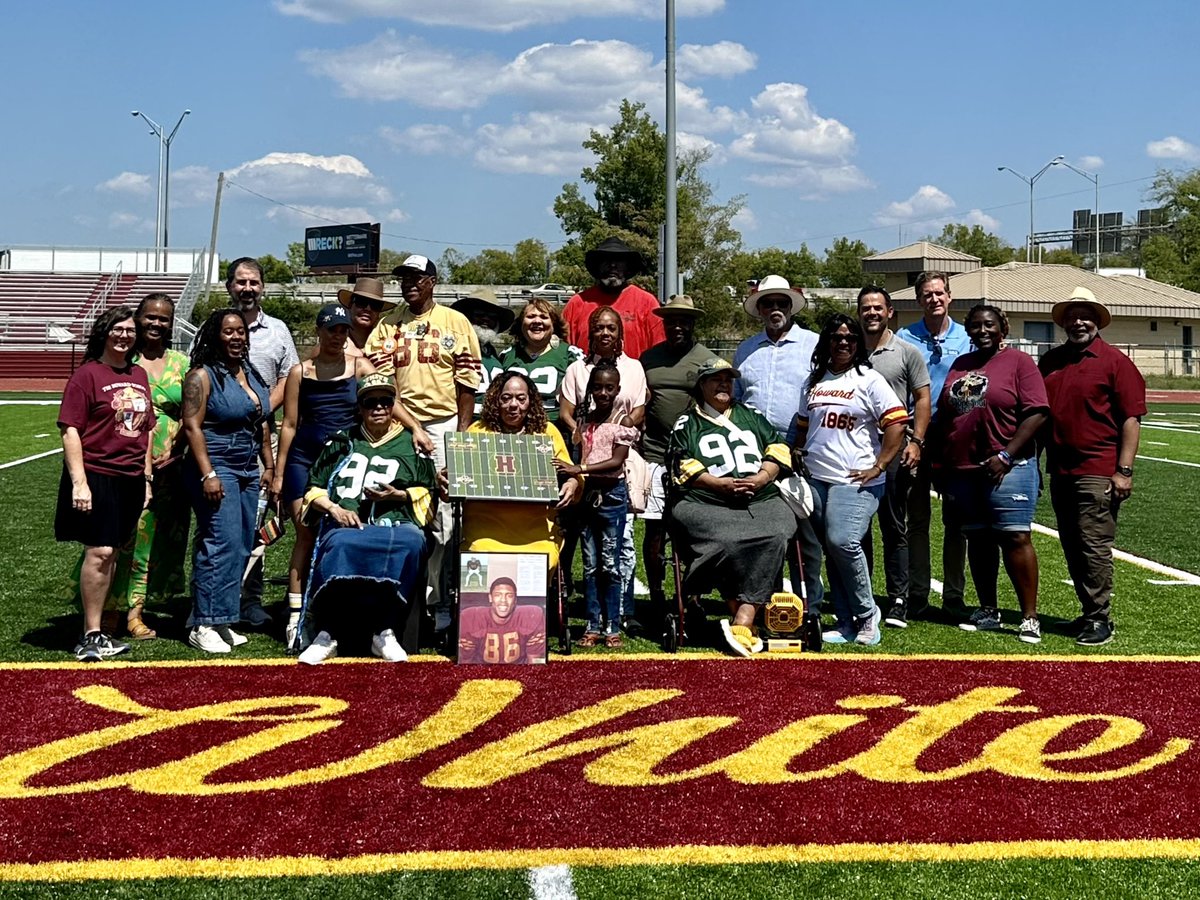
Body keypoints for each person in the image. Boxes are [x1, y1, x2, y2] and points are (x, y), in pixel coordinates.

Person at [364, 254, 480, 638]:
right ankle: (401, 599)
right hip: (398, 425)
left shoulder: (454, 322)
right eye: (404, 278)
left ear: (432, 280)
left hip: (444, 424)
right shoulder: (387, 324)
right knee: (398, 508)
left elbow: (467, 382)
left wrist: (461, 434)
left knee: (444, 518)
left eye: (416, 277)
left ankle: (441, 603)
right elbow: (376, 379)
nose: (409, 283)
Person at [68, 293, 191, 640]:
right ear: (136, 320)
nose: (156, 323)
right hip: (125, 464)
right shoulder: (122, 357)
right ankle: (107, 610)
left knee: (159, 541)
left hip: (172, 467)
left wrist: (176, 449)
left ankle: (137, 611)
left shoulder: (182, 364)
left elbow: (193, 413)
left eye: (164, 318)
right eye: (149, 317)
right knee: (121, 539)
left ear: (171, 324)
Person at [296, 373, 437, 664]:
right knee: (339, 544)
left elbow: (429, 489)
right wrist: (334, 509)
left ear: (393, 405)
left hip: (395, 522)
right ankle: (328, 633)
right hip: (348, 523)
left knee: (412, 542)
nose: (379, 408)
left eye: (386, 401)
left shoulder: (411, 446)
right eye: (370, 402)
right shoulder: (341, 442)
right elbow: (313, 487)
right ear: (359, 407)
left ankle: (383, 631)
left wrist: (398, 496)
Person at [666, 358, 795, 658]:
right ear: (701, 385)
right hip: (705, 501)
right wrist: (717, 484)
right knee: (728, 540)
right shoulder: (688, 422)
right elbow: (680, 462)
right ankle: (745, 616)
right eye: (716, 379)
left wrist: (762, 478)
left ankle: (744, 618)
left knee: (778, 532)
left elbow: (778, 448)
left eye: (728, 379)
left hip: (760, 498)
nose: (723, 384)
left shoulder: (751, 415)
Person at [1039, 287, 1146, 646]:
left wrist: (1124, 470)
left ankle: (1100, 617)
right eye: (1072, 316)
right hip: (1062, 468)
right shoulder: (1051, 361)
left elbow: (1131, 419)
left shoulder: (1115, 362)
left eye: (1084, 315)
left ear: (1097, 320)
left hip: (1098, 468)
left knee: (1093, 544)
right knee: (1072, 543)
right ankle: (1088, 611)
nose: (1078, 321)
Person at [936, 304, 1049, 644]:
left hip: (1008, 467)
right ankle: (988, 608)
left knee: (1015, 537)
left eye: (988, 325)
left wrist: (1006, 454)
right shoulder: (961, 364)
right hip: (965, 468)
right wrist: (942, 465)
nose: (981, 331)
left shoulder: (1019, 362)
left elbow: (1037, 412)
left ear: (1003, 328)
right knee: (979, 539)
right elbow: (948, 415)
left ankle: (1029, 616)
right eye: (974, 326)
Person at [797, 315, 909, 647]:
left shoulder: (869, 378)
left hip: (856, 477)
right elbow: (804, 424)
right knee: (831, 548)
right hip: (818, 477)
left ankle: (866, 613)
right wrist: (798, 450)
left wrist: (881, 464)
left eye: (850, 338)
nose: (843, 342)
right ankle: (845, 620)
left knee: (843, 540)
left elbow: (896, 422)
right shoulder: (814, 380)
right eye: (836, 337)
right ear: (826, 342)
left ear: (858, 344)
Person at [274, 304, 380, 647]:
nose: (337, 336)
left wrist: (415, 431)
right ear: (319, 331)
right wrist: (278, 473)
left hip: (342, 461)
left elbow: (387, 401)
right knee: (305, 535)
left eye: (343, 330)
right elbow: (289, 425)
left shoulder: (359, 366)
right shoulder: (299, 372)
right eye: (331, 329)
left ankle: (329, 610)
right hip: (303, 459)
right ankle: (294, 617)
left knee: (340, 532)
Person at [55, 307, 155, 662]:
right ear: (104, 333)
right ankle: (91, 634)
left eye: (130, 330)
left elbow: (146, 430)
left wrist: (146, 478)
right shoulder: (86, 375)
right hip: (97, 474)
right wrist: (79, 483)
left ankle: (97, 630)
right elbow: (70, 430)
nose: (124, 336)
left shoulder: (139, 374)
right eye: (117, 329)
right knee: (99, 552)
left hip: (130, 477)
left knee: (112, 552)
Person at [181, 308, 274, 654]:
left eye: (241, 332)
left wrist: (268, 465)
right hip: (217, 465)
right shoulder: (201, 376)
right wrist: (208, 473)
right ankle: (203, 621)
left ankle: (222, 619)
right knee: (219, 541)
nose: (236, 337)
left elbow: (261, 420)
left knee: (240, 544)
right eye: (228, 332)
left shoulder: (248, 372)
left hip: (248, 467)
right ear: (214, 336)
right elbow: (192, 426)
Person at [732, 274, 824, 609]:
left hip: (800, 452)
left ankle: (808, 604)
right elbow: (736, 402)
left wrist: (800, 444)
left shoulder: (814, 345)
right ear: (759, 309)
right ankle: (763, 600)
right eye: (768, 303)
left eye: (781, 303)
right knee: (761, 531)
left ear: (791, 307)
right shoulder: (746, 350)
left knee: (806, 533)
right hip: (754, 455)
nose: (775, 309)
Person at [559, 306, 648, 632]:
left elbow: (637, 409)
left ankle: (623, 609)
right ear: (590, 332)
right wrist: (577, 430)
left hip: (618, 461)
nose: (605, 333)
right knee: (586, 542)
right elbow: (567, 410)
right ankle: (589, 612)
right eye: (598, 328)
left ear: (620, 333)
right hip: (584, 458)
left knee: (621, 541)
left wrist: (620, 427)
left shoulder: (634, 368)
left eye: (611, 328)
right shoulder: (576, 370)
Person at [225, 256, 299, 627]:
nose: (247, 289)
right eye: (241, 282)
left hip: (261, 438)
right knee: (221, 524)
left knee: (256, 524)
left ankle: (249, 600)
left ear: (263, 287)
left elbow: (290, 378)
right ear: (229, 287)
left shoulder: (279, 330)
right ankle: (218, 597)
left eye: (254, 282)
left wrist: (259, 407)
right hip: (222, 439)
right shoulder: (218, 327)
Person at [855, 286, 932, 629]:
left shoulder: (905, 351)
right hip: (855, 452)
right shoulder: (848, 348)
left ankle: (898, 598)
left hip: (894, 451)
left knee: (893, 525)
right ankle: (863, 595)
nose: (871, 313)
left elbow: (922, 399)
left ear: (889, 312)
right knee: (857, 528)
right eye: (865, 308)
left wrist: (916, 441)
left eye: (877, 308)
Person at [897, 271, 973, 616]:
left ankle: (954, 595)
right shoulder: (904, 336)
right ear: (918, 300)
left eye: (940, 293)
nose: (934, 299)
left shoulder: (967, 336)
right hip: (915, 436)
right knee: (917, 519)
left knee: (956, 521)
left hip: (953, 437)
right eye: (927, 294)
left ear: (950, 297)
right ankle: (917, 593)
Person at [459, 371, 581, 569]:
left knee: (543, 558)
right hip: (485, 527)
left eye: (520, 398)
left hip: (536, 528)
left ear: (530, 402)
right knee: (478, 553)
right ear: (495, 401)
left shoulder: (546, 432)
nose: (513, 405)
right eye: (506, 398)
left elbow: (570, 472)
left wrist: (573, 482)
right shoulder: (478, 431)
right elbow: (457, 477)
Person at [554, 360, 637, 648]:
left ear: (618, 390)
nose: (603, 393)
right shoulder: (583, 419)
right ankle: (592, 623)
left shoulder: (623, 421)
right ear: (590, 389)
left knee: (610, 565)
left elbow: (617, 460)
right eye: (597, 387)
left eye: (608, 388)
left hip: (612, 495)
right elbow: (579, 448)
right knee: (589, 565)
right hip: (587, 497)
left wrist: (580, 469)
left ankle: (612, 624)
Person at [639, 295, 712, 612]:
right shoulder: (648, 358)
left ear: (694, 323)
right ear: (664, 323)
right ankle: (656, 594)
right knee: (655, 525)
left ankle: (693, 593)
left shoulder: (706, 359)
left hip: (694, 455)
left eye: (684, 320)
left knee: (693, 525)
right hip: (654, 452)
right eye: (672, 320)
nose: (677, 326)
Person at [561, 236, 664, 361]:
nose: (613, 265)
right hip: (585, 377)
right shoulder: (578, 303)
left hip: (632, 378)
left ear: (627, 266)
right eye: (606, 260)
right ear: (598, 265)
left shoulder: (647, 303)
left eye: (619, 261)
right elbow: (562, 352)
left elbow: (659, 352)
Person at [498, 298, 583, 434]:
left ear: (553, 324)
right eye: (530, 316)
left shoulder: (570, 355)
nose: (537, 321)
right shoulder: (506, 355)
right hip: (514, 431)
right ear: (521, 323)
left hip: (556, 430)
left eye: (544, 317)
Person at [452, 288, 516, 417]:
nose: (486, 319)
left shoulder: (492, 351)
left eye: (492, 317)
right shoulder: (455, 346)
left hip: (492, 419)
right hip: (463, 416)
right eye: (480, 314)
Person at [457, 577, 547, 665]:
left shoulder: (532, 616)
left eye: (509, 595)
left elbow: (534, 661)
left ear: (515, 600)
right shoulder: (471, 618)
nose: (503, 600)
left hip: (518, 673)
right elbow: (466, 661)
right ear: (490, 598)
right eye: (497, 595)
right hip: (483, 674)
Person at [336, 276, 395, 358]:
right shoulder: (335, 341)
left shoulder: (388, 340)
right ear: (350, 305)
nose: (368, 309)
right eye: (361, 302)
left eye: (375, 305)